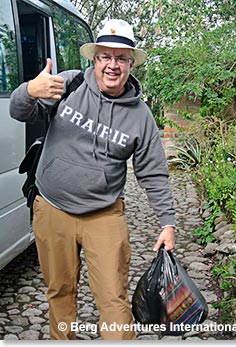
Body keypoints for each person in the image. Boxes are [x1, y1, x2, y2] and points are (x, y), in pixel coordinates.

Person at [9, 19, 175, 340]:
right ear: (95, 59)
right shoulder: (68, 84)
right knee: (59, 291)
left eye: (121, 58)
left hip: (104, 214)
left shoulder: (140, 116)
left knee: (113, 299)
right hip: (52, 208)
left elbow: (152, 172)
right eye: (105, 56)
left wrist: (167, 223)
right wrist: (29, 90)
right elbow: (18, 111)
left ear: (130, 64)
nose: (112, 65)